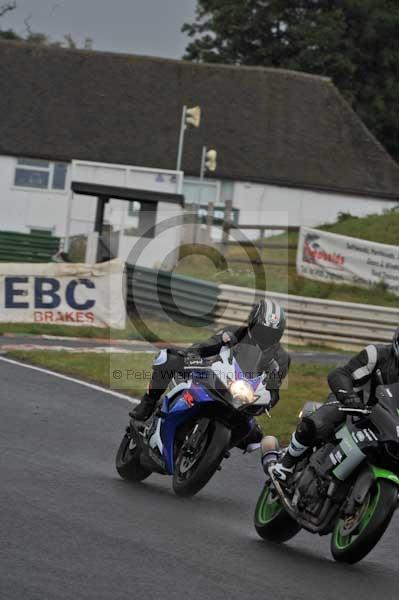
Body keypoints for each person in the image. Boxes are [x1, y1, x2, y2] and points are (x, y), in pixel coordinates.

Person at [131, 298, 290, 447]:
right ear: (252, 322)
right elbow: (206, 346)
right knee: (169, 359)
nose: (266, 336)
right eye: (262, 330)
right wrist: (191, 355)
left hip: (242, 399)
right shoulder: (233, 332)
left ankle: (215, 448)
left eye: (272, 333)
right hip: (215, 377)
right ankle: (149, 401)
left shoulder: (281, 358)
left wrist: (268, 401)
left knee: (255, 437)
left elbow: (274, 388)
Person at [271, 328, 399, 483]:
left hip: (385, 425)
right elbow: (340, 374)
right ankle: (286, 463)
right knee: (320, 422)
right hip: (352, 405)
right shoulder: (376, 355)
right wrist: (349, 397)